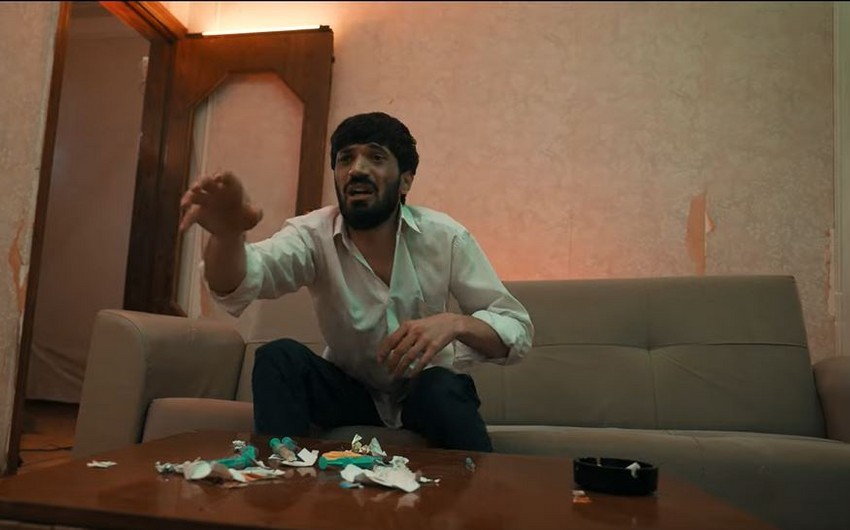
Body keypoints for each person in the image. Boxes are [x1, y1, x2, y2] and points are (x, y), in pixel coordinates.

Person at [178, 111, 533, 452]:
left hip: (426, 395)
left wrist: (455, 323)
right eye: (345, 159)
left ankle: (484, 492)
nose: (357, 169)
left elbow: (516, 328)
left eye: (376, 157)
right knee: (278, 358)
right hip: (347, 393)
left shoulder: (445, 236)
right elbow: (240, 281)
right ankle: (275, 481)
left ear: (406, 180)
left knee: (443, 388)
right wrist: (227, 235)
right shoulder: (311, 234)